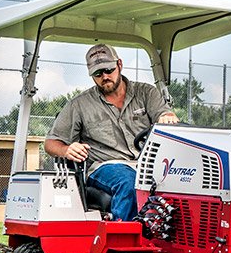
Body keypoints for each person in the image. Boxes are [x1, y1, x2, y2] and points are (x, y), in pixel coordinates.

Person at [45, 43, 179, 221]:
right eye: (98, 73)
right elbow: (51, 143)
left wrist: (167, 116)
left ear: (120, 65)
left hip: (147, 165)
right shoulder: (79, 105)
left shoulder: (146, 93)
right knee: (129, 183)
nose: (105, 77)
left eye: (108, 69)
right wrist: (66, 150)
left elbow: (164, 113)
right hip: (105, 166)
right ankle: (124, 243)